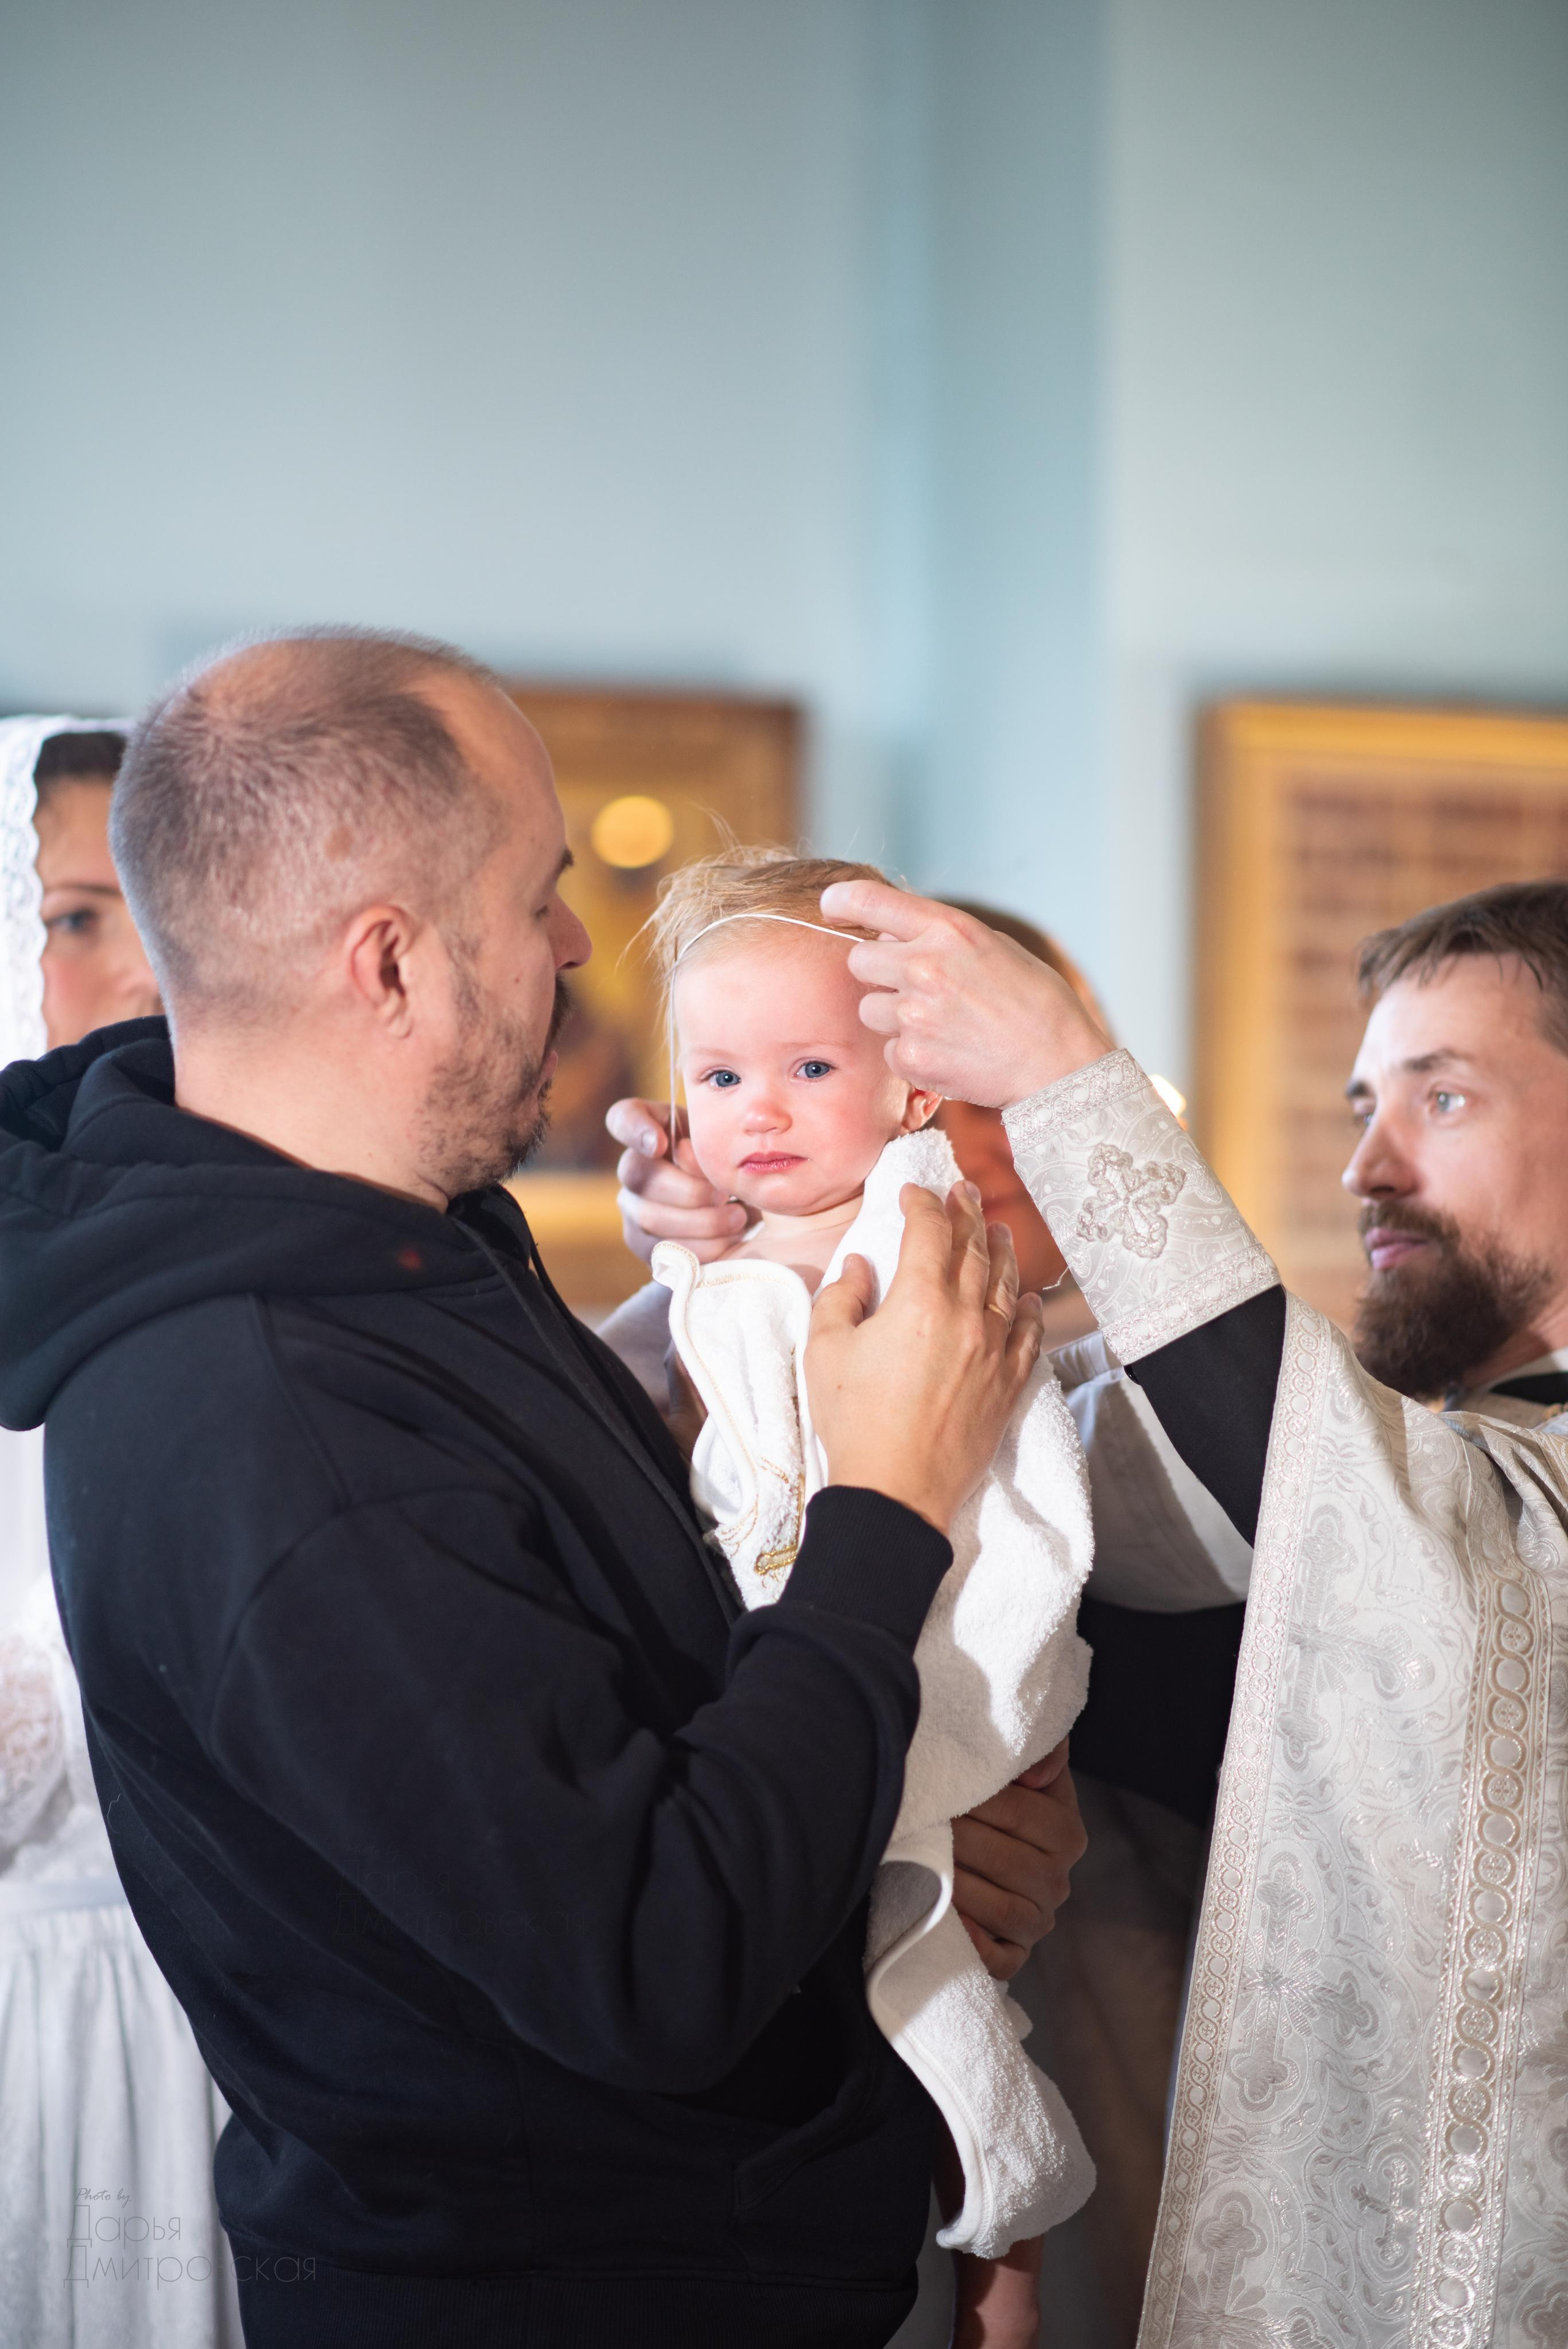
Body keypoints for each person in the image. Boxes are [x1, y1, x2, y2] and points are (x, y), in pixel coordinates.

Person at [0, 631, 1082, 2349]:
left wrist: (712, 1316)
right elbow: (655, 1957)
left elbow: (580, 1632)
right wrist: (887, 1507)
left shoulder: (389, 1240)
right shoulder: (274, 1422)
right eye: (536, 895)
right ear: (388, 961)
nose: (576, 945)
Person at [622, 872, 1568, 2343]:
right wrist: (728, 1261)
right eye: (1362, 1103)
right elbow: (991, 1462)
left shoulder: (1433, 1474)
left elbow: (1370, 1519)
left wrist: (1070, 1078)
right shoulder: (1354, 1435)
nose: (1364, 1167)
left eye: (1440, 1098)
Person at [613, 845, 1097, 2347]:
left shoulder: (919, 1235)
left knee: (936, 1981)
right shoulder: (726, 1256)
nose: (755, 1112)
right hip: (793, 1666)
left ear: (913, 1095)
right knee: (906, 1991)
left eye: (807, 1068)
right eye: (719, 1077)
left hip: (930, 1640)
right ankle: (995, 2246)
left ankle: (1007, 2263)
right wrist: (674, 1243)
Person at [0, 716, 236, 2349]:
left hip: (270, 2047)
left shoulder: (303, 1258)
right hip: (42, 2048)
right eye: (77, 916)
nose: (141, 968)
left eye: (163, 908)